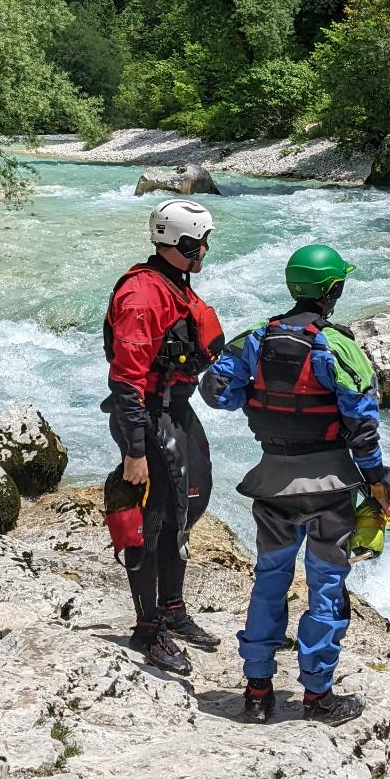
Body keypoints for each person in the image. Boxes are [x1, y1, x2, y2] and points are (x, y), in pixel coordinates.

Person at [200, 242, 390, 726]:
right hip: (330, 489)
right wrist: (378, 481)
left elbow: (215, 391)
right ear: (335, 290)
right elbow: (363, 426)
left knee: (270, 581)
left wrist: (255, 394)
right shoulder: (340, 346)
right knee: (326, 586)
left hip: (271, 482)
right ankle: (317, 697)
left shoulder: (253, 340)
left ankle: (257, 691)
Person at [103, 198, 225, 676]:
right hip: (145, 416)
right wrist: (135, 452)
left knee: (189, 503)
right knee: (153, 520)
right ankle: (147, 628)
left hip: (176, 408)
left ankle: (173, 608)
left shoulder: (175, 284)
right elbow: (125, 380)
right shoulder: (142, 295)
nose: (206, 250)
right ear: (184, 244)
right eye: (202, 243)